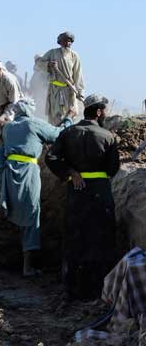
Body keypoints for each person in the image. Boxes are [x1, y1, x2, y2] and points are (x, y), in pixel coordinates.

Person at [45, 94, 120, 300]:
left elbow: (50, 157)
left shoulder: (68, 132)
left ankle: (72, 289)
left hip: (76, 193)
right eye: (104, 110)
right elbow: (113, 169)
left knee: (75, 237)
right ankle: (98, 291)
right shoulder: (108, 136)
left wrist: (71, 172)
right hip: (100, 194)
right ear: (98, 112)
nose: (105, 113)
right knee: (101, 239)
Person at [0, 98, 74, 276]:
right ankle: (28, 267)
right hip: (27, 173)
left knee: (18, 211)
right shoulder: (34, 124)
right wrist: (68, 118)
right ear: (30, 111)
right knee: (31, 214)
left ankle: (17, 256)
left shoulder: (8, 127)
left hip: (9, 172)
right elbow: (59, 134)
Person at [36, 32, 84, 125]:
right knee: (56, 115)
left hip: (69, 90)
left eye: (70, 41)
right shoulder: (52, 53)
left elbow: (78, 75)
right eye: (66, 41)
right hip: (56, 91)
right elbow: (38, 63)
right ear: (60, 42)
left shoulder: (74, 56)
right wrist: (49, 65)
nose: (68, 43)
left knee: (70, 114)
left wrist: (80, 92)